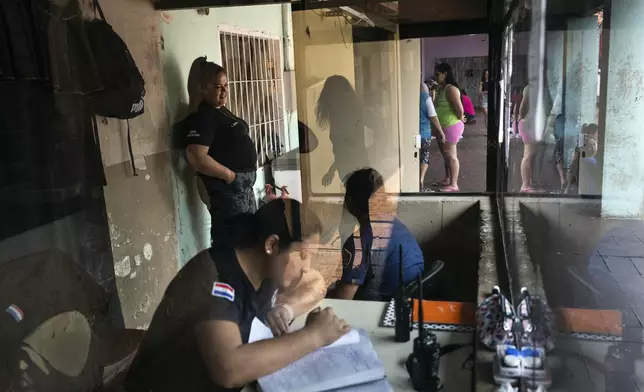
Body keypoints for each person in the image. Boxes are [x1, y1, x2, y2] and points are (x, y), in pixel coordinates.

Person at [124, 199, 349, 392]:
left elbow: (316, 283)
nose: (305, 267)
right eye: (302, 255)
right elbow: (228, 369)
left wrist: (286, 308)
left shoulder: (267, 270)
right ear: (272, 244)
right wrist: (314, 336)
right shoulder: (214, 276)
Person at [183, 57, 258, 246]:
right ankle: (229, 275)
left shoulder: (219, 110)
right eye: (218, 86)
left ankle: (244, 275)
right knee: (233, 242)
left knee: (249, 238)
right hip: (229, 189)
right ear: (203, 88)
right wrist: (229, 175)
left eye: (226, 84)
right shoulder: (204, 117)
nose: (224, 90)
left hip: (242, 187)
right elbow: (196, 157)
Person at [327, 169, 425, 301]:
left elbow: (343, 299)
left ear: (349, 200)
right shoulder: (395, 224)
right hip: (409, 299)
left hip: (383, 308)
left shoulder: (358, 242)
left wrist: (321, 295)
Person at [434, 63, 465, 192]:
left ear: (445, 74)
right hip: (442, 127)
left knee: (451, 155)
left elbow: (459, 109)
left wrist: (460, 118)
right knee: (445, 156)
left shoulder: (451, 89)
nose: (435, 77)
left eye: (437, 74)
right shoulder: (441, 89)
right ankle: (447, 179)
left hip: (450, 126)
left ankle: (454, 184)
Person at [420, 81, 445, 192]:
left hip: (410, 134)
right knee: (424, 155)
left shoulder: (407, 96)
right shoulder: (426, 98)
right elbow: (433, 117)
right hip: (424, 133)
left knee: (412, 156)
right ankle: (420, 179)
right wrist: (441, 132)